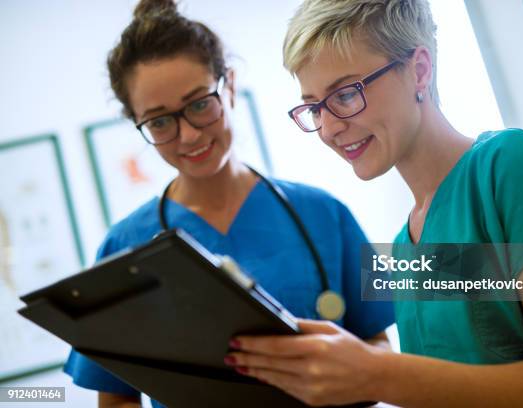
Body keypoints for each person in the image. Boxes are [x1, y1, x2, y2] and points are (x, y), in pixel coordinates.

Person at [227, 1, 523, 406]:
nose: (329, 127)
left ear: (419, 70)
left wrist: (376, 373)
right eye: (314, 107)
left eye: (344, 94)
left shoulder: (515, 165)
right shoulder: (404, 247)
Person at [63, 1, 394, 407]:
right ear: (138, 122)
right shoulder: (123, 248)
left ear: (230, 85)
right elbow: (116, 399)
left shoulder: (326, 213)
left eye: (200, 103)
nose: (187, 136)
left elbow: (379, 348)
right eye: (160, 121)